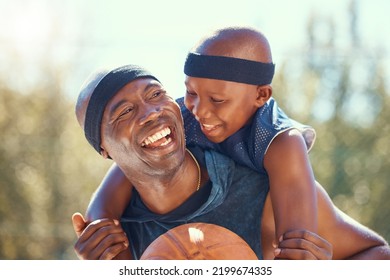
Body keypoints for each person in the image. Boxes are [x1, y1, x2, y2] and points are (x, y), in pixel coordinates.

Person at [72, 64, 390, 260]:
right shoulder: (115, 238)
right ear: (105, 150)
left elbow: (378, 256)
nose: (152, 112)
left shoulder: (265, 196)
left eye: (156, 95)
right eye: (124, 111)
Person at [78, 26, 319, 255]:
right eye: (191, 93)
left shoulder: (279, 143)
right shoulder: (183, 116)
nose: (200, 110)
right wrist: (104, 243)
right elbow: (106, 201)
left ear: (261, 95)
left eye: (216, 100)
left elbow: (298, 245)